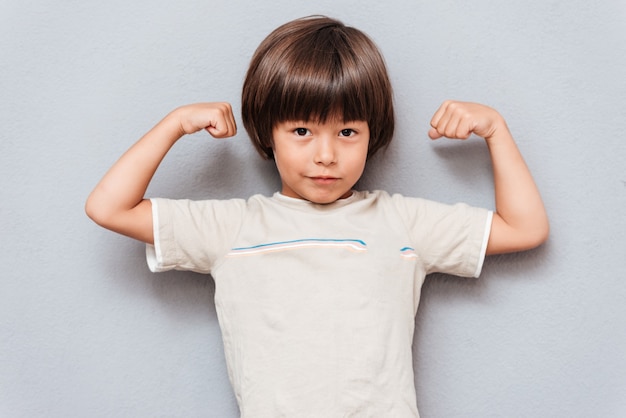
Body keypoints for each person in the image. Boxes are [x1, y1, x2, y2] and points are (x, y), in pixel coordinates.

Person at [86, 15, 549, 418]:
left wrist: (496, 131)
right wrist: (174, 124)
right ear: (269, 133)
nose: (326, 155)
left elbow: (525, 228)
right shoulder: (233, 228)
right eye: (302, 130)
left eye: (348, 131)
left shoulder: (401, 223)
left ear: (374, 134)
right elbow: (108, 207)